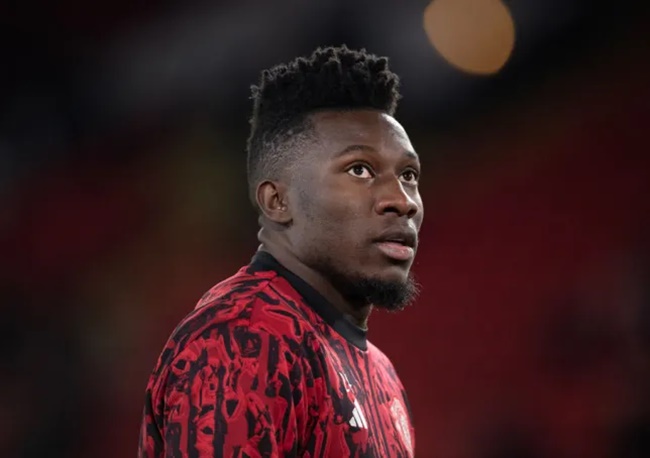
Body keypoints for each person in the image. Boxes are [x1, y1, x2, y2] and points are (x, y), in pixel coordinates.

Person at [139, 45, 424, 458]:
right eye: (359, 169)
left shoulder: (380, 373)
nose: (402, 200)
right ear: (277, 202)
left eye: (409, 175)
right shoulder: (242, 341)